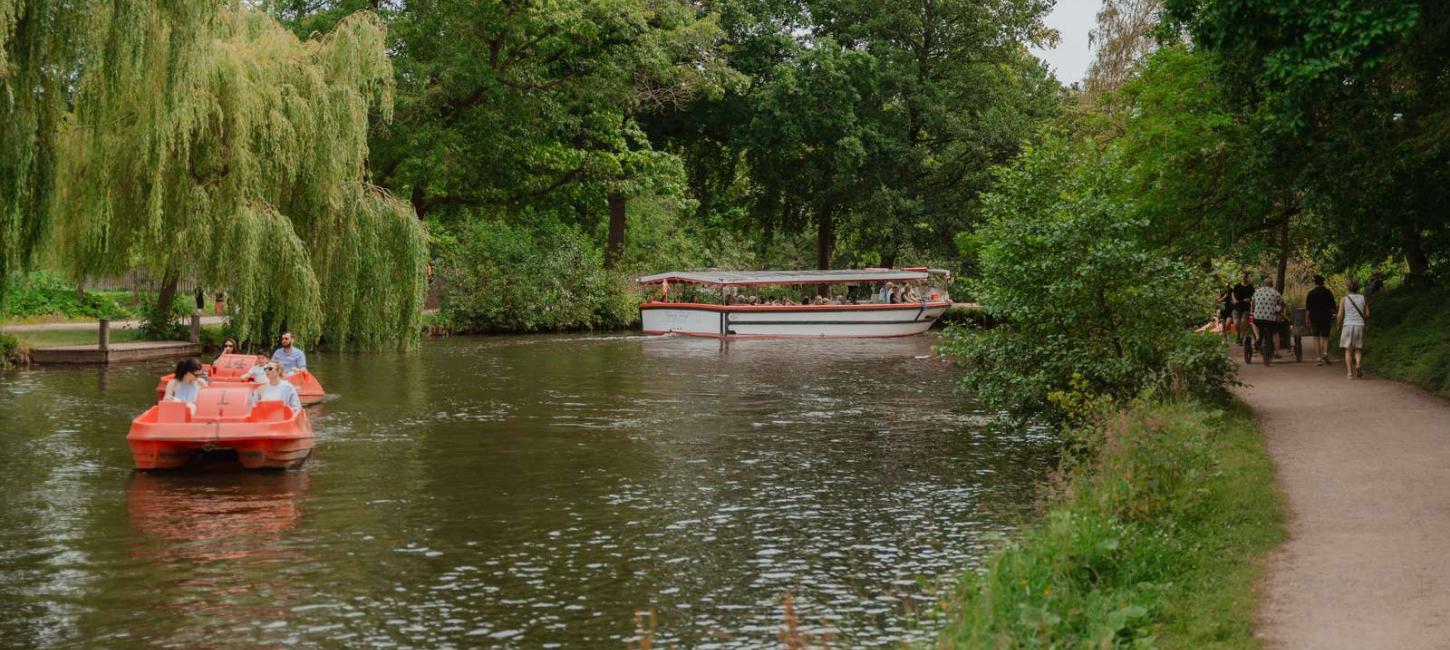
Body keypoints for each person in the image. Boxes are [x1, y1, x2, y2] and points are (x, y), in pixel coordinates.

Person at [1338, 277, 1370, 379]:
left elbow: (1339, 315)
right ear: (1357, 287)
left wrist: (1338, 325)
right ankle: (1358, 365)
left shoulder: (1344, 299)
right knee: (1358, 348)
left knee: (1348, 349)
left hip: (1347, 325)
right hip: (1359, 325)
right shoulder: (1363, 298)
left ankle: (1349, 373)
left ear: (1348, 287)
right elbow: (1368, 314)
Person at [1250, 277, 1285, 365]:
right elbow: (1282, 304)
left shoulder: (1257, 292)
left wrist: (1254, 311)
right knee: (1275, 332)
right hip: (1271, 319)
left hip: (1258, 318)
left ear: (1263, 284)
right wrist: (1279, 311)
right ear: (1272, 284)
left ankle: (1258, 337)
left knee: (1253, 323)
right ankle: (1277, 352)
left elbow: (1253, 305)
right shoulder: (1275, 293)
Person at [1304, 275, 1337, 366]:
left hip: (1314, 318)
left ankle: (1318, 358)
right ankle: (1325, 353)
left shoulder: (1311, 293)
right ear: (1323, 283)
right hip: (1326, 317)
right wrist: (1333, 315)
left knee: (1316, 337)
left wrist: (1307, 319)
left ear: (1315, 283)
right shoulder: (1328, 292)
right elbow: (1333, 307)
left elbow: (1308, 308)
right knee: (1325, 336)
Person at [1231, 272, 1255, 344]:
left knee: (1243, 322)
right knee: (1236, 323)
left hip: (1245, 307)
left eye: (1245, 277)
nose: (1243, 278)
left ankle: (1241, 338)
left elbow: (1254, 296)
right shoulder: (1237, 286)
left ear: (1247, 278)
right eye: (1242, 277)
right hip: (1236, 306)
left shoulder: (1250, 287)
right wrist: (1234, 299)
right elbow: (1232, 293)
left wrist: (1250, 299)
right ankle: (1238, 334)